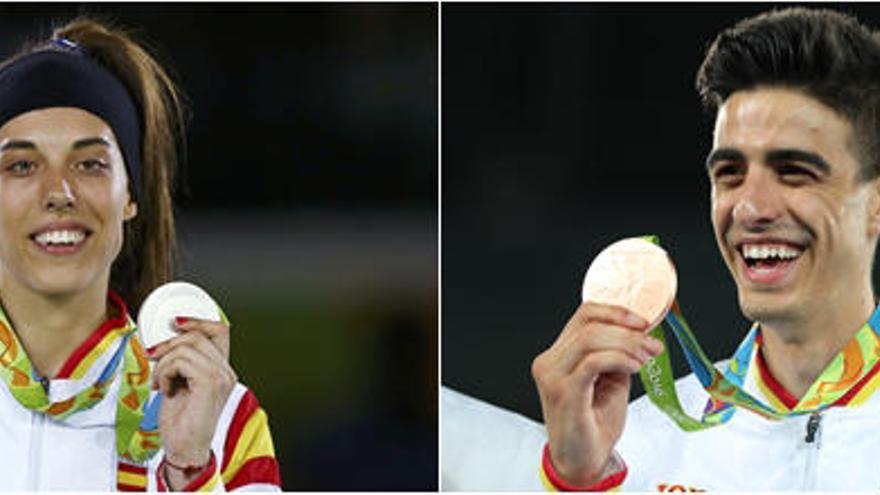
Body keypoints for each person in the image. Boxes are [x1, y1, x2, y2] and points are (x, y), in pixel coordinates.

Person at [443, 7, 880, 491]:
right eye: (730, 173)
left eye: (794, 172)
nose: (750, 208)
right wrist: (578, 483)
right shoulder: (635, 445)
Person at [0, 17, 281, 491]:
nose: (59, 192)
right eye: (22, 165)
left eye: (90, 164)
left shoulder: (221, 416)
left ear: (131, 195)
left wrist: (189, 468)